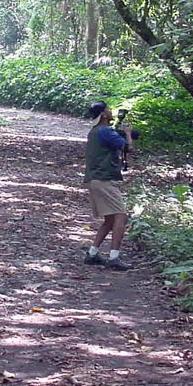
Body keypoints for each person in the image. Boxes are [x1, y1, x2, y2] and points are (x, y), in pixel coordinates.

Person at [82, 100, 134, 271]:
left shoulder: (95, 131)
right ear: (103, 114)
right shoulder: (105, 131)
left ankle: (92, 253)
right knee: (121, 216)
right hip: (103, 180)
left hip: (94, 179)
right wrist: (127, 134)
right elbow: (127, 147)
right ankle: (114, 257)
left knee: (109, 219)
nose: (111, 111)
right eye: (108, 109)